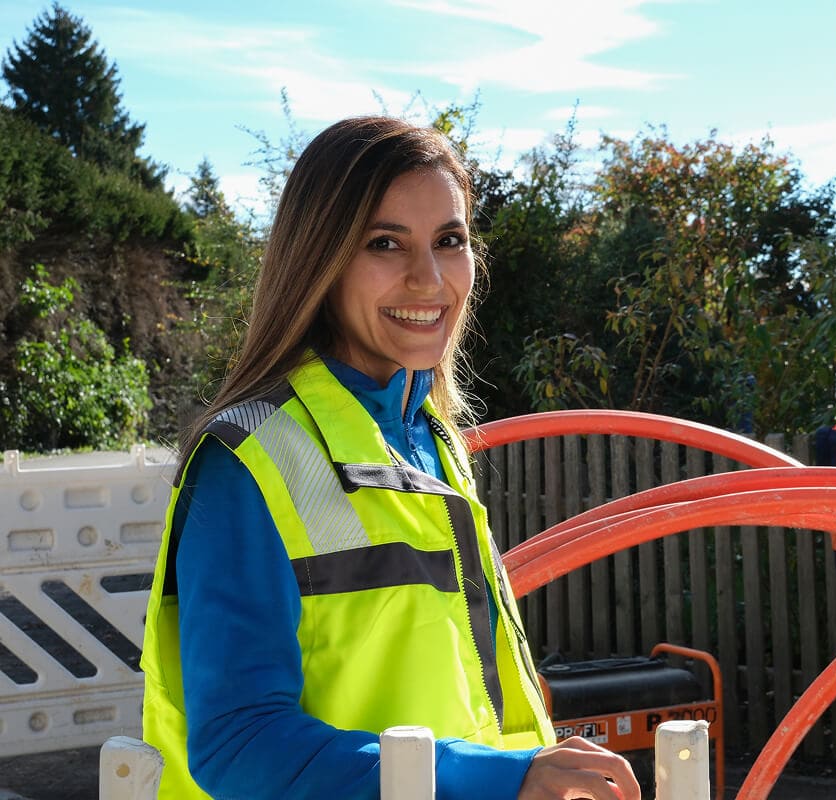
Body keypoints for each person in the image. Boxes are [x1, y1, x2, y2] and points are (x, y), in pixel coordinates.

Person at [140, 116, 640, 800]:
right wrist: (499, 780)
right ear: (320, 260)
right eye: (385, 243)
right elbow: (238, 742)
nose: (428, 277)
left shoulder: (432, 442)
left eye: (450, 241)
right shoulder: (248, 459)